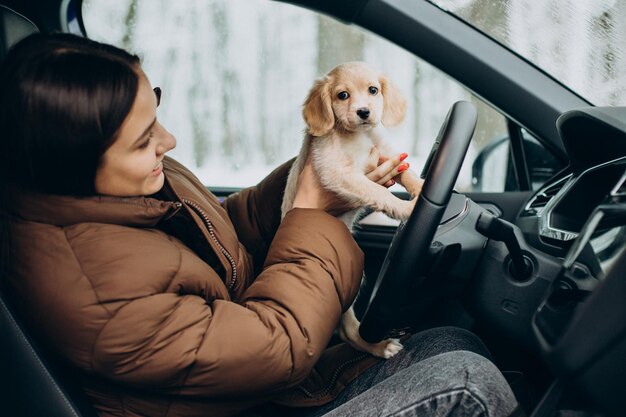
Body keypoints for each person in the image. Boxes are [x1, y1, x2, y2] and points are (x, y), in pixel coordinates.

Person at [0, 33, 521, 417]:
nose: (170, 140)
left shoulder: (138, 183)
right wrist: (311, 214)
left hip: (265, 386)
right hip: (258, 394)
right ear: (71, 161)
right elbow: (279, 350)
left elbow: (220, 234)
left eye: (155, 108)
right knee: (468, 383)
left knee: (451, 339)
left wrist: (310, 182)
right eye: (142, 139)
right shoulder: (92, 290)